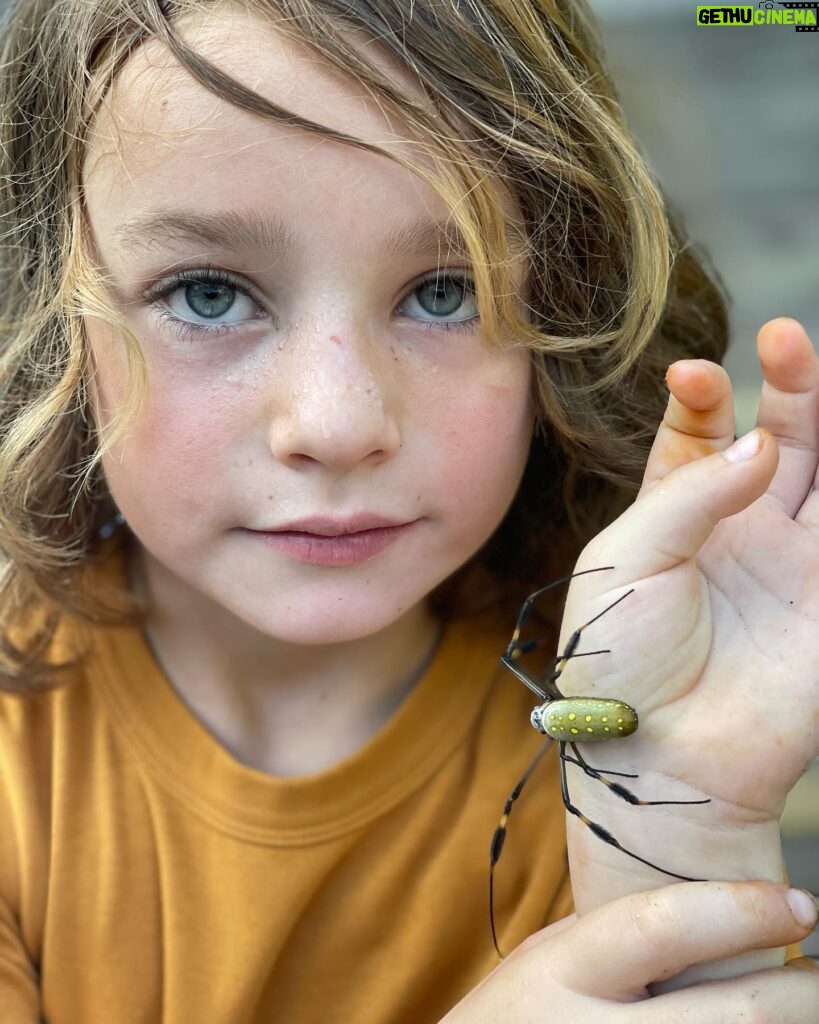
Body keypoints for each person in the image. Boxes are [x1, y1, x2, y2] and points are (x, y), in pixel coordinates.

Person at [0, 0, 816, 1021]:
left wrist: (684, 817)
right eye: (208, 294)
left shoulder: (619, 717)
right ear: (45, 320)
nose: (337, 424)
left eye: (445, 291)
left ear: (564, 319)